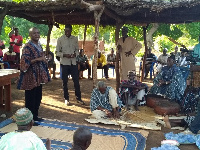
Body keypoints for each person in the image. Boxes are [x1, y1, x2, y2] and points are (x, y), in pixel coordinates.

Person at [17, 27, 50, 123]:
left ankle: (35, 116)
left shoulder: (39, 45)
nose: (37, 35)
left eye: (38, 33)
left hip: (38, 76)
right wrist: (38, 59)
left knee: (38, 96)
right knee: (30, 98)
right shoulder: (27, 47)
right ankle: (29, 119)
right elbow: (24, 62)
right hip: (30, 76)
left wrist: (45, 58)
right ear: (30, 35)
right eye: (34, 33)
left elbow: (41, 58)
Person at [56, 24, 85, 106]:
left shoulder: (75, 39)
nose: (67, 32)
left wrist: (75, 54)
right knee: (65, 82)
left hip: (73, 62)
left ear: (71, 30)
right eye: (66, 30)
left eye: (68, 30)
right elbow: (57, 52)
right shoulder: (60, 39)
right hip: (64, 63)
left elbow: (77, 50)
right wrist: (65, 55)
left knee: (76, 81)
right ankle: (66, 99)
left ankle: (78, 98)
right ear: (64, 30)